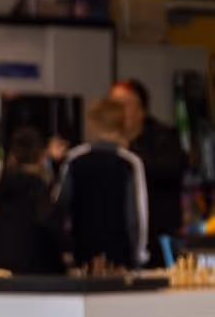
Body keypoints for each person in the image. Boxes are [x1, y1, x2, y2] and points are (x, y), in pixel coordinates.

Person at [0, 126, 65, 317]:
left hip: (4, 261)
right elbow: (47, 221)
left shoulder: (4, 186)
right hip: (35, 262)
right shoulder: (38, 186)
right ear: (41, 155)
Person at [58, 96, 148, 271]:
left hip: (82, 253)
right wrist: (139, 255)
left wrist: (64, 250)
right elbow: (137, 215)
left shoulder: (74, 159)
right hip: (120, 257)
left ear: (91, 124)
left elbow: (60, 208)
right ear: (122, 125)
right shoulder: (130, 163)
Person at [113, 78, 186, 264]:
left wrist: (130, 152)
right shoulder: (109, 145)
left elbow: (171, 170)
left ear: (142, 110)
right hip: (122, 236)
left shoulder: (165, 137)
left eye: (125, 105)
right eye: (113, 105)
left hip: (159, 233)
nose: (118, 112)